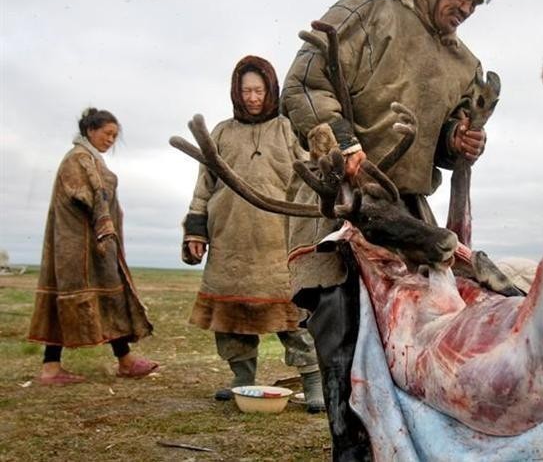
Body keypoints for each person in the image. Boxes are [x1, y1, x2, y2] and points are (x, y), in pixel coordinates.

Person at [281, 0, 495, 460]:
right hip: (337, 199)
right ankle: (349, 450)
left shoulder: (464, 62)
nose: (465, 8)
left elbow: (448, 140)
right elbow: (305, 84)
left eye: (475, 3)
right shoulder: (370, 11)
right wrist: (344, 146)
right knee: (344, 334)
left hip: (407, 213)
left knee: (414, 344)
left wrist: (459, 141)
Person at [181, 55, 324, 412]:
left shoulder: (287, 129)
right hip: (229, 239)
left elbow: (311, 175)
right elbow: (204, 185)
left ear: (270, 89)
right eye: (246, 90)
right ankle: (242, 380)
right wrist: (195, 229)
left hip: (279, 241)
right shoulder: (221, 133)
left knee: (293, 317)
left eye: (259, 90)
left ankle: (314, 382)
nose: (253, 97)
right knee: (232, 319)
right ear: (236, 92)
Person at [27, 108, 157, 385]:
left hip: (86, 245)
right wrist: (104, 227)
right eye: (107, 133)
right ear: (90, 130)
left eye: (115, 136)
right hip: (82, 247)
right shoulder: (79, 158)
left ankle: (120, 360)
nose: (111, 140)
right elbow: (92, 195)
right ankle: (114, 362)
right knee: (93, 298)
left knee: (105, 298)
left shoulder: (88, 158)